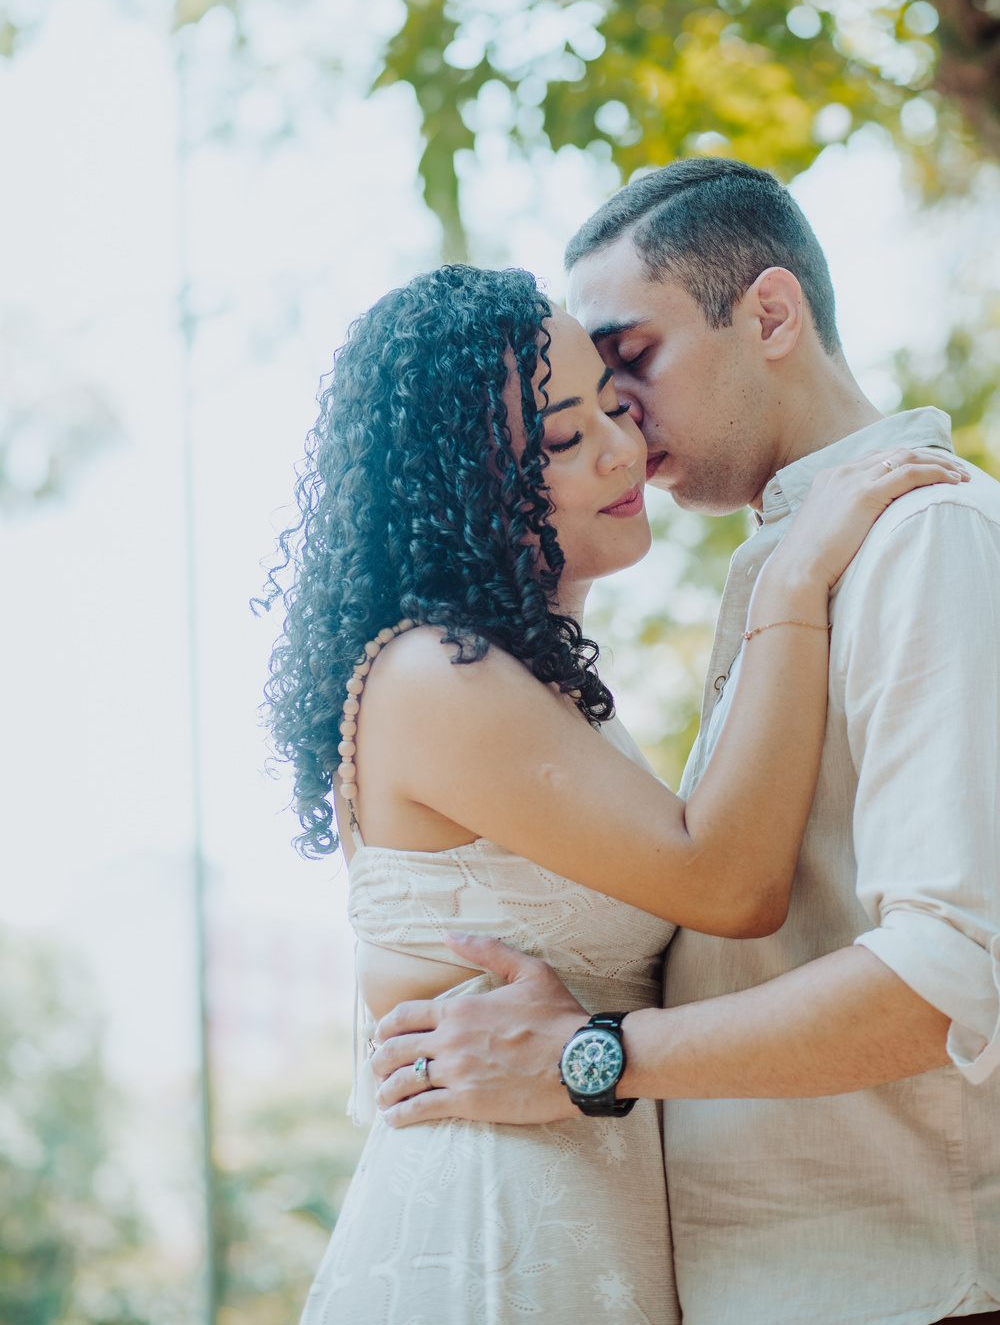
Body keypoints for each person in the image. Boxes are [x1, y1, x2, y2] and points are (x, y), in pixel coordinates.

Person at [369, 160, 1000, 1325]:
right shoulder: (802, 572)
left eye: (631, 360)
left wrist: (591, 1054)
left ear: (771, 315)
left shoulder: (930, 545)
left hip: (942, 1287)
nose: (620, 416)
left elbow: (945, 979)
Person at [263, 260, 964, 1325]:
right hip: (491, 1242)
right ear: (458, 484)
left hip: (589, 1230)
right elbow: (725, 881)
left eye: (612, 403)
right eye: (559, 437)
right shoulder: (428, 675)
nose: (620, 449)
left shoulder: (531, 688)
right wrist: (792, 582)